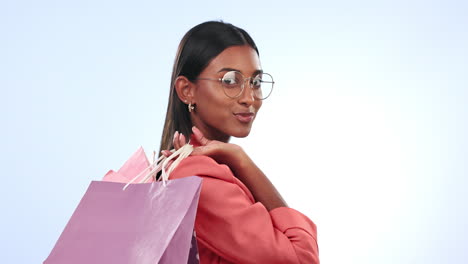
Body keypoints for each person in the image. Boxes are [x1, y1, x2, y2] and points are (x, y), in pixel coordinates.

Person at [159, 21, 319, 264]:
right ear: (186, 90)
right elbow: (300, 259)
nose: (249, 98)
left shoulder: (205, 169)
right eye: (230, 81)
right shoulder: (195, 175)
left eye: (255, 82)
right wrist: (243, 161)